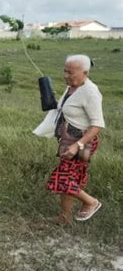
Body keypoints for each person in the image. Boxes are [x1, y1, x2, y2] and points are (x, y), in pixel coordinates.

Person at [47, 54, 104, 226]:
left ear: (84, 72)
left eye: (71, 72)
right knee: (71, 178)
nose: (66, 75)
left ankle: (91, 202)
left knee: (62, 179)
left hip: (82, 141)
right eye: (65, 71)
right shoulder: (72, 87)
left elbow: (98, 125)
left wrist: (76, 146)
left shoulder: (90, 92)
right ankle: (64, 218)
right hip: (68, 139)